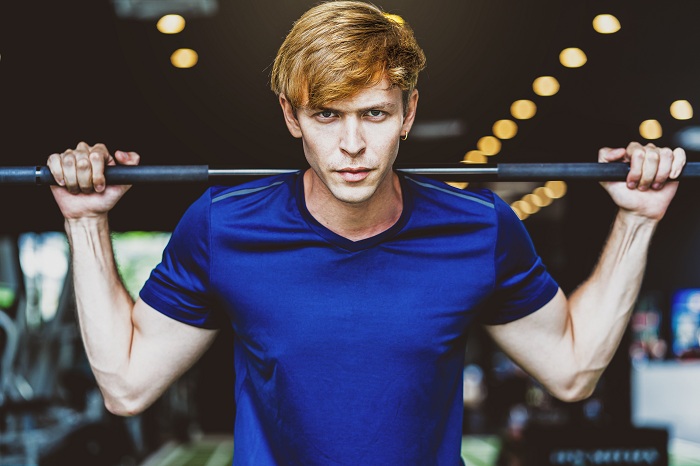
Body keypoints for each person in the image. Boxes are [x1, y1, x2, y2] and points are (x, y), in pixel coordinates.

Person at [46, 1, 686, 464]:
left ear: (409, 114)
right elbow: (127, 385)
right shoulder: (223, 227)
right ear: (292, 117)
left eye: (375, 113)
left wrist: (636, 219)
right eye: (327, 115)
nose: (352, 145)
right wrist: (84, 220)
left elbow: (572, 371)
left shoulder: (478, 228)